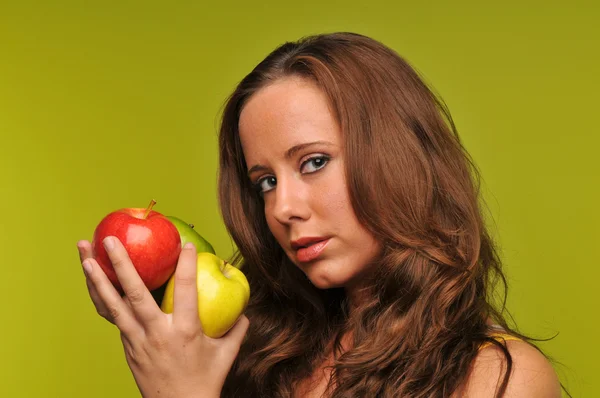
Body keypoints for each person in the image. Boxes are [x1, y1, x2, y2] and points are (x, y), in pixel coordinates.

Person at [77, 32, 568, 397]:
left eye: (314, 162)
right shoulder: (250, 352)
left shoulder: (497, 379)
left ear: (398, 159)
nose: (282, 209)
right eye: (264, 182)